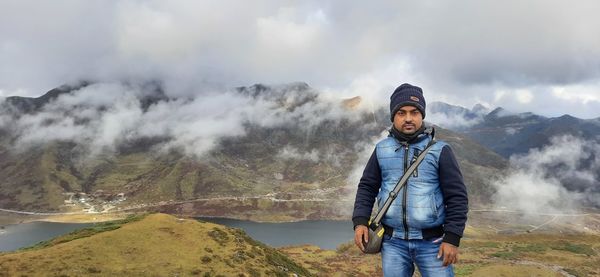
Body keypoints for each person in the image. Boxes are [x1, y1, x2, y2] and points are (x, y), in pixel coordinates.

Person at [352, 83, 468, 277]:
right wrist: (360, 221)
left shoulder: (440, 151)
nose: (408, 118)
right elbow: (367, 186)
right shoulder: (382, 149)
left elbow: (457, 197)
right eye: (401, 113)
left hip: (433, 243)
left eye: (414, 112)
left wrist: (452, 238)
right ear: (393, 117)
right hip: (392, 243)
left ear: (421, 115)